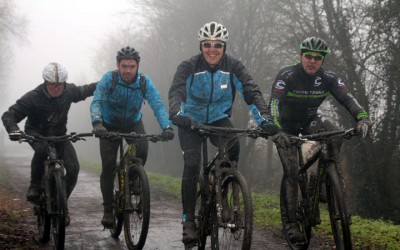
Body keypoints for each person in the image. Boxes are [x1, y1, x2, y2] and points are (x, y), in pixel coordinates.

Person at [168, 21, 275, 246]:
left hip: (218, 118)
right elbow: (176, 91)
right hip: (190, 121)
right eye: (207, 44)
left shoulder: (234, 66)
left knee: (233, 145)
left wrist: (264, 119)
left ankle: (223, 190)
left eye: (218, 44)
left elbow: (251, 91)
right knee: (192, 164)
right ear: (201, 46)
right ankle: (188, 220)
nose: (212, 49)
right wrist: (177, 113)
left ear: (224, 47)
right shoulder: (188, 66)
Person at [263, 36, 373, 243]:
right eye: (308, 56)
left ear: (322, 60)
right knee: (292, 171)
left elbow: (347, 98)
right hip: (285, 126)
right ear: (301, 56)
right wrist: (276, 130)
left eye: (317, 57)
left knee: (335, 135)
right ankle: (291, 223)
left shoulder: (329, 77)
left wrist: (362, 117)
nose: (312, 61)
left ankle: (322, 181)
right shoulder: (287, 74)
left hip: (309, 119)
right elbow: (274, 103)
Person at [2, 62, 97, 226]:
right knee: (42, 149)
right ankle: (34, 186)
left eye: (60, 85)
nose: (57, 88)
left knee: (73, 168)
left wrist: (107, 82)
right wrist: (13, 130)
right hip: (37, 133)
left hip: (60, 135)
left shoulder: (69, 91)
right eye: (53, 85)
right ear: (46, 82)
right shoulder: (33, 97)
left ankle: (61, 204)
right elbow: (9, 115)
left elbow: (86, 90)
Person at [90, 46, 174, 228]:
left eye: (132, 66)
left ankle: (132, 176)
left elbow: (157, 104)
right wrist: (97, 123)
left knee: (142, 149)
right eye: (124, 66)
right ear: (118, 65)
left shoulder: (144, 82)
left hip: (132, 123)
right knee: (108, 165)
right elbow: (97, 100)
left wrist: (166, 126)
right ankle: (107, 210)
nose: (128, 70)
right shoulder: (109, 79)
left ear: (138, 66)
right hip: (108, 124)